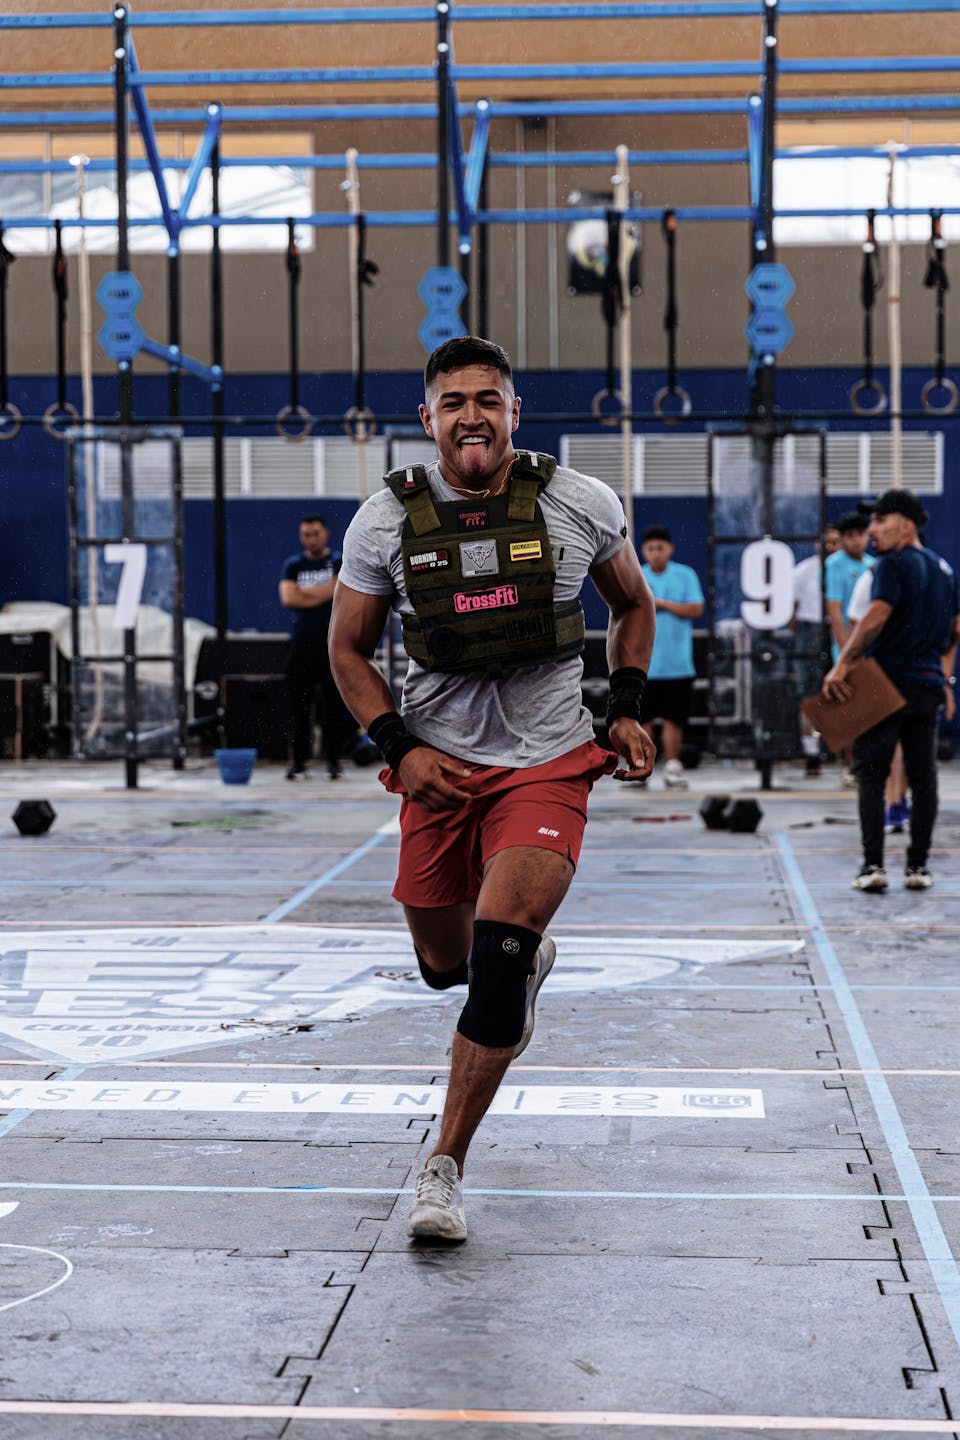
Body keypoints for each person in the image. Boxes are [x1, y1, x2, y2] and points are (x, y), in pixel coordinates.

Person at [329, 335, 656, 1242]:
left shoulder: (578, 501)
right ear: (426, 417)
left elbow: (633, 604)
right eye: (454, 400)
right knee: (447, 965)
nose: (472, 414)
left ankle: (444, 1167)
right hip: (437, 766)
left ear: (516, 412)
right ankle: (506, 963)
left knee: (498, 963)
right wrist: (397, 744)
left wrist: (624, 707)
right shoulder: (382, 520)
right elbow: (346, 649)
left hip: (549, 759)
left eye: (489, 398)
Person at [822, 488, 960, 892]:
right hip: (927, 685)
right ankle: (918, 868)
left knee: (870, 775)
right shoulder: (943, 570)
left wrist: (842, 664)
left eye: (881, 520)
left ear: (908, 524)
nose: (872, 529)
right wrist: (946, 681)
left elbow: (875, 617)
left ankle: (872, 867)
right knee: (924, 777)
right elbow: (954, 632)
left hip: (885, 683)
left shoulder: (891, 564)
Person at [279, 514, 353, 780]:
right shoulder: (293, 565)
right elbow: (288, 598)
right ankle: (298, 763)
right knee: (299, 707)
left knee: (333, 706)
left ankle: (334, 762)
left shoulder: (337, 561)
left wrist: (306, 594)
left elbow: (340, 591)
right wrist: (325, 591)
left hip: (332, 643)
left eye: (315, 534)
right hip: (301, 645)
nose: (310, 539)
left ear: (326, 534)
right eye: (305, 535)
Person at [638, 524, 704, 788]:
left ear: (670, 549)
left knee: (673, 718)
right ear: (644, 551)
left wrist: (661, 603)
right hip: (643, 664)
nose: (655, 553)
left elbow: (696, 609)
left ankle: (673, 765)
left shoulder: (685, 575)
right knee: (642, 719)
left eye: (660, 548)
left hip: (677, 665)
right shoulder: (636, 576)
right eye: (651, 548)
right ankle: (641, 765)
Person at [824, 511, 875, 785]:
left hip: (872, 647)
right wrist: (846, 652)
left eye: (861, 534)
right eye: (850, 536)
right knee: (849, 708)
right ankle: (850, 765)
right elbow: (835, 611)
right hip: (846, 649)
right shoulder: (834, 565)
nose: (857, 541)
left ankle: (868, 762)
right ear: (842, 539)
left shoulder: (874, 564)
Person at [792, 524, 840, 777]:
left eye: (834, 542)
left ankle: (842, 753)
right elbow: (792, 610)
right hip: (809, 631)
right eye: (826, 542)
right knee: (809, 696)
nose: (830, 547)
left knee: (842, 693)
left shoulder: (846, 570)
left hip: (839, 630)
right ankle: (812, 753)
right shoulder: (803, 572)